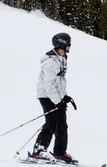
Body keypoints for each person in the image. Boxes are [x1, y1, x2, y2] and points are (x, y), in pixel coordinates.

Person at [31, 32, 77, 164]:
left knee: (62, 125)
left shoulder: (61, 58)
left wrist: (64, 97)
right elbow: (49, 85)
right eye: (68, 43)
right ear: (61, 44)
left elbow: (60, 81)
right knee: (51, 123)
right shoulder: (51, 62)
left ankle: (59, 152)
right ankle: (39, 150)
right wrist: (58, 102)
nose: (70, 46)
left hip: (55, 96)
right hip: (46, 96)